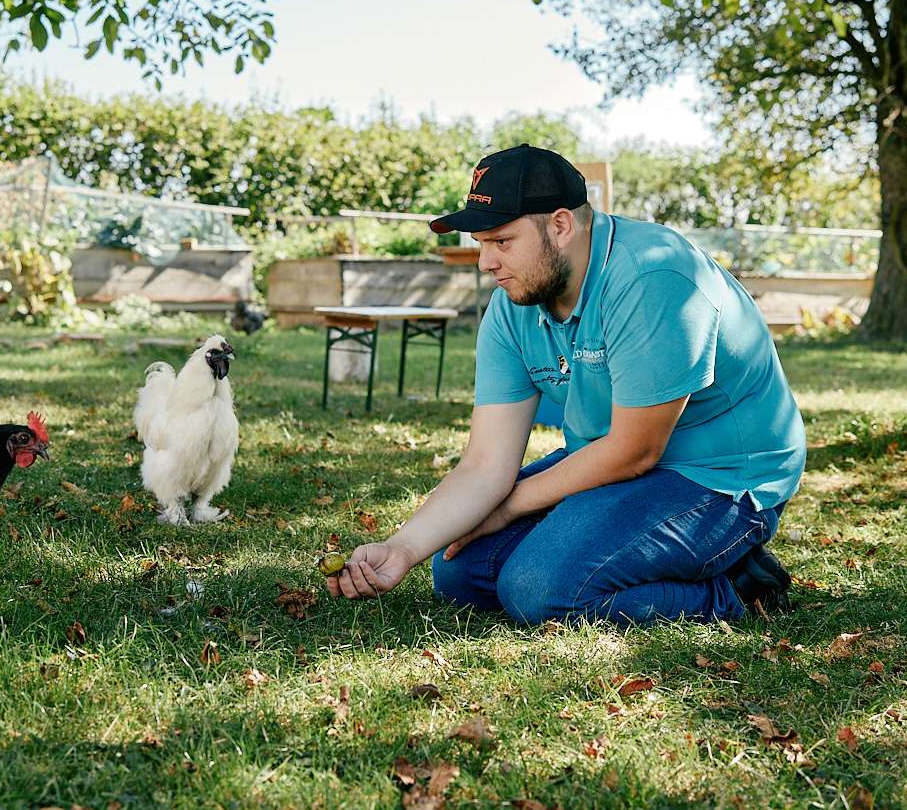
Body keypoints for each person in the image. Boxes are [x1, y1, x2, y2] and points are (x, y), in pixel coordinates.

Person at [325, 144, 804, 624]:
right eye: (481, 243)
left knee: (540, 591)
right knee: (461, 574)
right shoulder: (512, 306)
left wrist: (508, 508)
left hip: (720, 476)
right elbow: (486, 462)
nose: (484, 263)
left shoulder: (653, 276)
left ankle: (738, 589)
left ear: (560, 225)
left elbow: (635, 452)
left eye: (501, 241)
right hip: (612, 461)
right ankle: (646, 558)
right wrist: (402, 547)